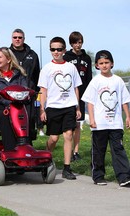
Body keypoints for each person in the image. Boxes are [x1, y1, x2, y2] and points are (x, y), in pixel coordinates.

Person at [81, 50, 130, 186]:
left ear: (112, 63)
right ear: (96, 65)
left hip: (115, 123)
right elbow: (89, 102)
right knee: (98, 150)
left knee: (118, 149)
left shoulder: (118, 80)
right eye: (101, 63)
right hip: (100, 123)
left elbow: (124, 100)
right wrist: (92, 119)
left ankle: (124, 177)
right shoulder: (96, 81)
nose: (104, 65)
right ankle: (98, 175)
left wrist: (127, 117)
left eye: (106, 63)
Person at [38, 37, 82, 180]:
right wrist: (42, 109)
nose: (56, 52)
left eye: (58, 49)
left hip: (69, 106)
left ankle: (67, 168)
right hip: (53, 107)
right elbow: (43, 91)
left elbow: (75, 88)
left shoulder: (71, 67)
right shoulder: (46, 69)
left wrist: (77, 107)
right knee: (54, 138)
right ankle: (46, 158)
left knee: (68, 135)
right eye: (53, 49)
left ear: (64, 50)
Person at [63, 31, 92, 161]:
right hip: (69, 93)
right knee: (70, 123)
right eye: (75, 42)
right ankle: (68, 149)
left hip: (83, 92)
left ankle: (76, 151)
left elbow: (89, 76)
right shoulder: (67, 57)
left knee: (78, 124)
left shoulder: (87, 58)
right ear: (71, 44)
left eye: (79, 42)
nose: (78, 45)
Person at [9, 29, 41, 142]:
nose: (17, 39)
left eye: (20, 37)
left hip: (28, 95)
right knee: (12, 121)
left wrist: (35, 90)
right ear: (12, 39)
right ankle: (12, 146)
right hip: (11, 95)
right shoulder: (7, 54)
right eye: (15, 37)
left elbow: (37, 75)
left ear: (24, 39)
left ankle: (28, 145)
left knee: (29, 121)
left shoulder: (32, 55)